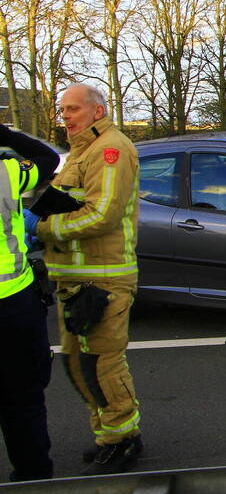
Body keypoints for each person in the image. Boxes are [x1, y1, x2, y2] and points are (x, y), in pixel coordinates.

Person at [27, 83, 144, 474]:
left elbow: (102, 215)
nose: (66, 117)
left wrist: (42, 228)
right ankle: (108, 433)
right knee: (79, 365)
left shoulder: (110, 150)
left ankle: (122, 439)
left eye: (74, 109)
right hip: (77, 281)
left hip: (103, 280)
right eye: (63, 110)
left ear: (98, 111)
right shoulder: (82, 151)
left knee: (102, 365)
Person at [0, 124, 59, 482]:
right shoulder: (6, 172)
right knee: (22, 401)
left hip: (14, 306)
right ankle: (35, 480)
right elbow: (48, 158)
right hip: (12, 306)